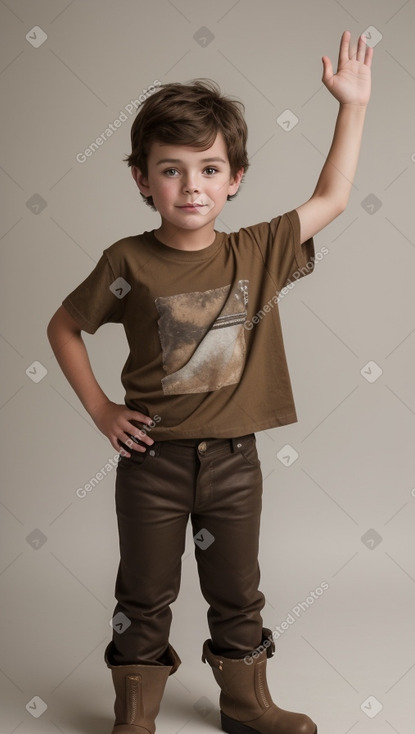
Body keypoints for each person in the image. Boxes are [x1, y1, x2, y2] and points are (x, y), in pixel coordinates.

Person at [47, 30, 373, 734]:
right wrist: (103, 408)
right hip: (151, 465)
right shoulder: (125, 260)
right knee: (142, 591)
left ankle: (244, 701)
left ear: (234, 179)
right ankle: (135, 712)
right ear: (140, 179)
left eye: (208, 169)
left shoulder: (259, 249)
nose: (190, 185)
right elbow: (63, 329)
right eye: (170, 170)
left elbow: (333, 197)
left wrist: (352, 106)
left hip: (233, 464)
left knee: (237, 590)